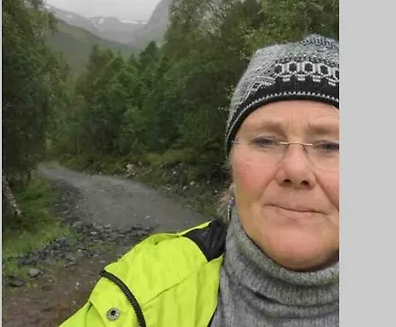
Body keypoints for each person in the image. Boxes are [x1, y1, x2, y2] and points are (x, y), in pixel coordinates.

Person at [60, 33, 339, 327]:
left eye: (331, 146)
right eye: (265, 141)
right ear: (231, 163)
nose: (294, 170)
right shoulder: (141, 296)